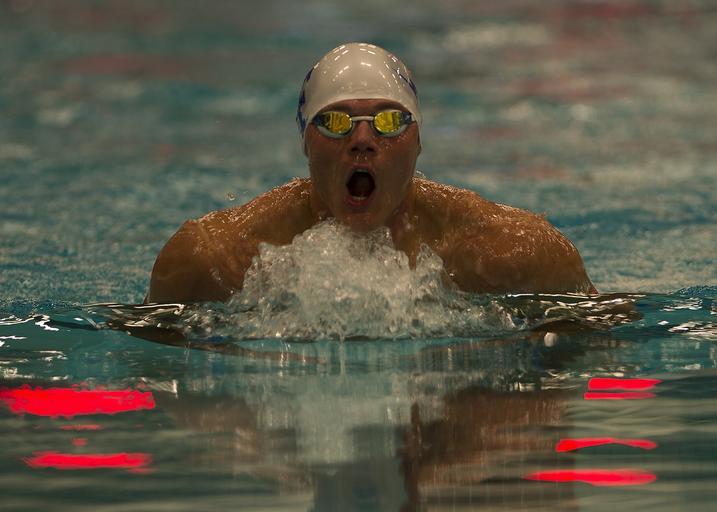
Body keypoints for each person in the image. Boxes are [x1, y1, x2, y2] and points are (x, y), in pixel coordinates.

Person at [146, 42, 596, 304]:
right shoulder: (212, 262)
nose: (362, 139)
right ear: (306, 142)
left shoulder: (512, 254)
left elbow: (592, 355)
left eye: (390, 121)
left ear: (417, 142)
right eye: (335, 122)